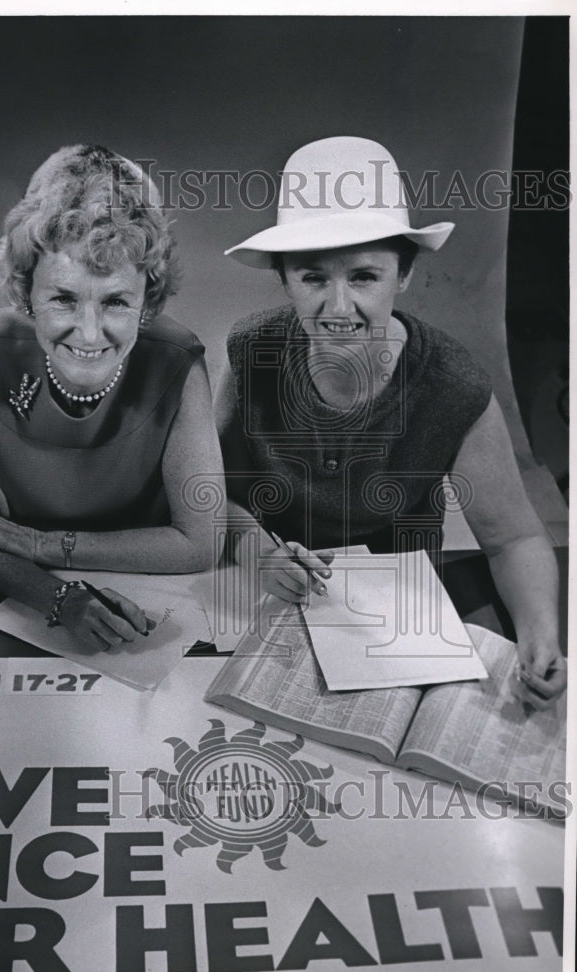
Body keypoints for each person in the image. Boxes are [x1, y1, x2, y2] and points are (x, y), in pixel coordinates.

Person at [215, 136, 565, 709]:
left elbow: (514, 539)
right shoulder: (253, 348)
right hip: (271, 597)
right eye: (311, 277)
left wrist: (540, 634)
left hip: (396, 623)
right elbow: (215, 495)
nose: (337, 306)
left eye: (363, 277)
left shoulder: (452, 385)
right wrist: (258, 553)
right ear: (283, 279)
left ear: (403, 276)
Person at [0, 143, 223, 653]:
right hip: (25, 593)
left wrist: (38, 543)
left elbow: (201, 543)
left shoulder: (178, 361)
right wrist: (58, 598)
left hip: (163, 598)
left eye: (115, 301)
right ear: (26, 294)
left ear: (148, 299)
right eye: (64, 298)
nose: (89, 335)